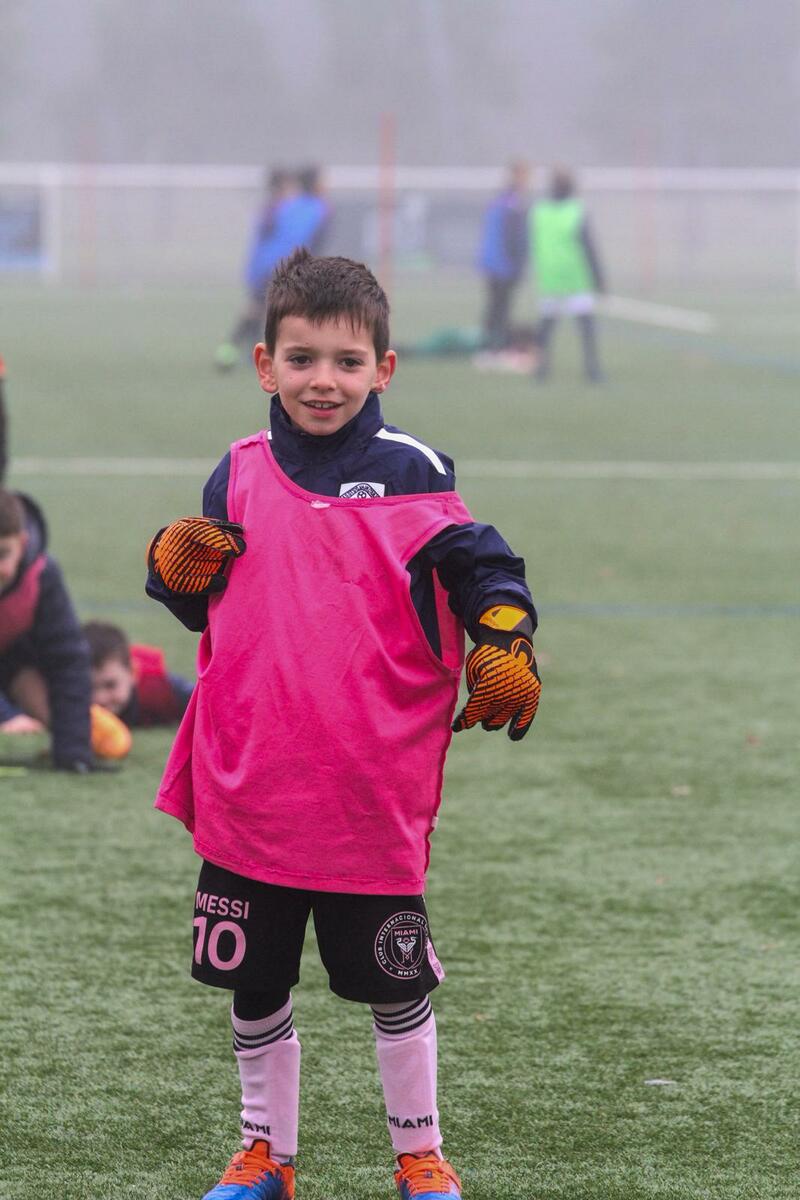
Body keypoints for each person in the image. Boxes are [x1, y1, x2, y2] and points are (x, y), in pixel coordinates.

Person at [147, 249, 541, 1200]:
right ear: (265, 365)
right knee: (255, 983)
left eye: (347, 361)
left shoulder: (413, 471)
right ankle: (265, 1156)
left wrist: (506, 638)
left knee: (395, 984)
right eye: (302, 358)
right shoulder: (236, 474)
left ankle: (419, 1155)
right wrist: (170, 571)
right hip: (251, 781)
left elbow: (485, 570)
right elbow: (207, 605)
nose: (323, 380)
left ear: (383, 368)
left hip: (365, 787)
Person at [0, 487, 121, 768]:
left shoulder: (42, 576)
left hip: (15, 666)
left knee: (69, 723)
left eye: (3, 554)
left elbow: (68, 660)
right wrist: (6, 715)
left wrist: (73, 752)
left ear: (23, 543)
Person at [215, 166, 332, 372]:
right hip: (284, 266)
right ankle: (236, 351)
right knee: (272, 310)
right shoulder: (319, 209)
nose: (327, 184)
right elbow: (314, 243)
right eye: (323, 180)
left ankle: (241, 352)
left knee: (261, 309)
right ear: (315, 184)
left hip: (267, 264)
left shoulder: (286, 205)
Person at [530, 166, 606, 382]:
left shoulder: (539, 210)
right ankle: (592, 370)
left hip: (549, 276)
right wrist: (599, 278)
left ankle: (541, 370)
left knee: (547, 326)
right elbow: (588, 246)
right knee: (585, 325)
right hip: (575, 276)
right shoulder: (576, 210)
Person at [83, 620, 193, 728]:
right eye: (88, 687)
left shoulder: (161, 693)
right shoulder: (72, 705)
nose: (100, 698)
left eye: (110, 685)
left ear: (132, 672)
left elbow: (201, 704)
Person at [476, 162, 530, 356]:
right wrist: (518, 265)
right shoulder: (512, 203)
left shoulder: (501, 200)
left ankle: (489, 346)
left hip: (493, 263)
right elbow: (513, 238)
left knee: (495, 306)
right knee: (500, 307)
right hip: (503, 265)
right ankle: (494, 347)